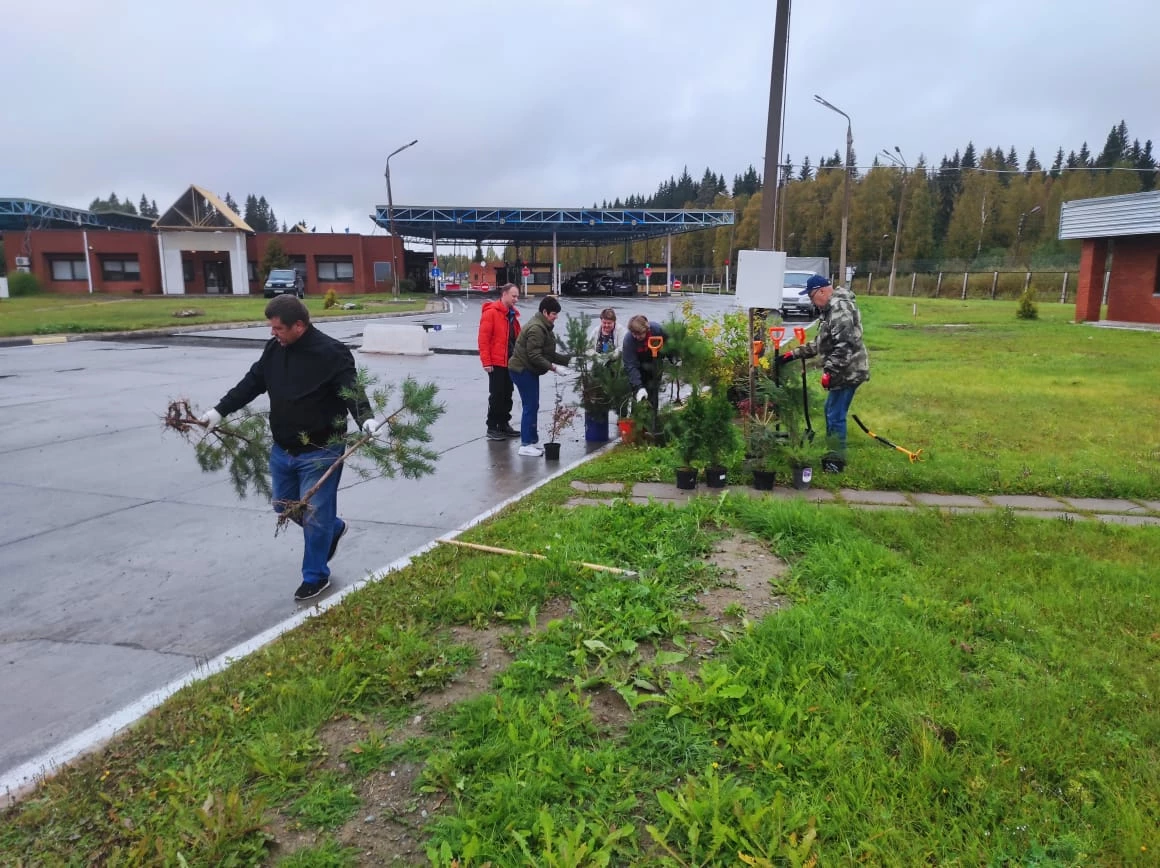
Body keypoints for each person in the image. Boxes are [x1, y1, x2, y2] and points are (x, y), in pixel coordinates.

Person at [198, 295, 376, 602]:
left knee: (315, 515)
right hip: (283, 449)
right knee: (284, 506)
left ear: (299, 326)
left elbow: (351, 390)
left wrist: (366, 419)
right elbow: (251, 383)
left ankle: (315, 576)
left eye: (278, 328)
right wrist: (219, 411)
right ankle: (333, 529)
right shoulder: (274, 350)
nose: (273, 333)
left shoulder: (331, 353)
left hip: (322, 449)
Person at [776, 274, 870, 454]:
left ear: (821, 291)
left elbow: (844, 345)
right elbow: (822, 342)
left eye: (811, 297)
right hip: (844, 368)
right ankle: (833, 449)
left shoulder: (839, 308)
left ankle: (836, 457)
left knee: (835, 415)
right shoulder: (830, 309)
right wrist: (792, 355)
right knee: (831, 410)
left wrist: (829, 372)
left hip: (848, 371)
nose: (812, 302)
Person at [507, 296, 572, 456]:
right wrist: (554, 368)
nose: (556, 317)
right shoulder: (537, 328)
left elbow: (547, 353)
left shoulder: (543, 326)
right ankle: (526, 445)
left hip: (528, 369)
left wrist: (568, 360)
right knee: (530, 406)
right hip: (522, 370)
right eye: (553, 314)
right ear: (545, 312)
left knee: (533, 405)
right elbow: (535, 355)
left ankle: (532, 440)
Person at [478, 283, 522, 440]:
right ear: (504, 294)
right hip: (496, 362)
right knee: (497, 394)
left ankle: (503, 424)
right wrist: (486, 362)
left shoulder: (512, 315)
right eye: (514, 296)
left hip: (510, 362)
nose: (516, 299)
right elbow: (483, 339)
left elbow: (517, 338)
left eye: (517, 296)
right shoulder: (491, 313)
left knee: (507, 393)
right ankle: (492, 426)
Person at [622, 314, 668, 409]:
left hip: (655, 364)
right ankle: (637, 414)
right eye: (634, 334)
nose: (636, 337)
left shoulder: (657, 330)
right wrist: (639, 387)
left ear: (646, 329)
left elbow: (669, 343)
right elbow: (630, 365)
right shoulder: (629, 340)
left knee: (653, 394)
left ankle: (653, 414)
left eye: (639, 334)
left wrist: (674, 358)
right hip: (638, 367)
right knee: (638, 396)